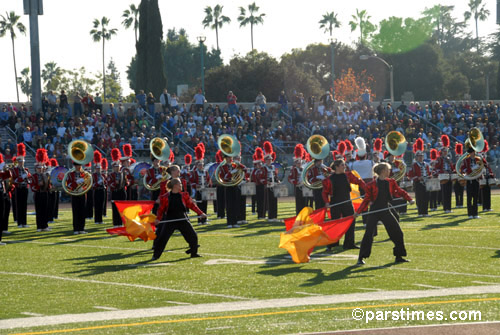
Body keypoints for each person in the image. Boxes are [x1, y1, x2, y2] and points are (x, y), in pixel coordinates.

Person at [356, 162, 414, 265]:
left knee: (397, 232)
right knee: (369, 234)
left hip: (385, 210)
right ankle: (361, 257)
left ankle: (399, 256)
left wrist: (409, 199)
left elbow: (399, 191)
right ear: (383, 171)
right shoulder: (371, 185)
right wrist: (358, 212)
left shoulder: (391, 182)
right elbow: (366, 200)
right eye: (388, 170)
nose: (389, 171)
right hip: (374, 211)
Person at [152, 178, 206, 260]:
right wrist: (158, 219)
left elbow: (192, 206)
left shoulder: (184, 195)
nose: (181, 185)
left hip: (182, 218)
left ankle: (194, 253)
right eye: (180, 184)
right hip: (170, 219)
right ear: (175, 186)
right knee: (162, 238)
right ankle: (155, 256)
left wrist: (201, 213)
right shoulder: (165, 197)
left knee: (193, 236)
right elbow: (161, 210)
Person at [323, 158, 366, 250]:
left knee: (351, 222)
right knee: (335, 224)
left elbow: (359, 181)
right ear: (337, 167)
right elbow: (324, 192)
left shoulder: (348, 176)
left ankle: (349, 243)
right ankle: (332, 243)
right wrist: (327, 202)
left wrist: (367, 189)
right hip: (335, 203)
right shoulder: (329, 179)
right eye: (342, 165)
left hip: (347, 202)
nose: (345, 166)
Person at [11, 144, 30, 228]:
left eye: (22, 161)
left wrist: (28, 178)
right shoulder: (14, 170)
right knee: (19, 205)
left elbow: (29, 178)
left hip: (24, 188)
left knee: (24, 205)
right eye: (20, 161)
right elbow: (14, 180)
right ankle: (19, 222)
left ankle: (24, 222)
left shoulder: (26, 170)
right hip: (18, 188)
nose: (21, 163)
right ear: (17, 162)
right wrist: (22, 178)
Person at [65, 162, 88, 234]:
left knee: (82, 212)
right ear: (74, 166)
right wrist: (76, 183)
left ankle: (81, 228)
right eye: (77, 165)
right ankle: (76, 229)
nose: (78, 166)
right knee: (75, 212)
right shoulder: (70, 175)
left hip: (82, 194)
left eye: (79, 165)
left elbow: (88, 184)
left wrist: (83, 187)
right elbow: (68, 185)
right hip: (74, 194)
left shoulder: (84, 174)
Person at [190, 145, 210, 225]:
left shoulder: (206, 172)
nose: (201, 166)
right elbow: (191, 182)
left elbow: (209, 180)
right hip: (198, 190)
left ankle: (204, 220)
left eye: (202, 165)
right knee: (199, 206)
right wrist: (196, 185)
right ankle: (199, 220)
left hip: (205, 190)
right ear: (197, 166)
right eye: (199, 165)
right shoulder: (194, 173)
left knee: (205, 205)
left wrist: (208, 184)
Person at [434, 136, 454, 213]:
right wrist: (442, 172)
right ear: (441, 152)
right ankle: (445, 208)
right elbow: (436, 169)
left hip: (449, 176)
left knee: (449, 192)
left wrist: (452, 171)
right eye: (444, 151)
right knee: (444, 192)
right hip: (443, 177)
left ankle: (449, 208)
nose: (445, 152)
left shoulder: (449, 159)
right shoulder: (439, 159)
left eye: (446, 151)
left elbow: (451, 167)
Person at [460, 146, 482, 219]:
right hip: (469, 180)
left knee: (475, 197)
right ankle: (470, 214)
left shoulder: (478, 159)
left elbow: (482, 166)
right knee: (469, 198)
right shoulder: (466, 160)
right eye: (472, 152)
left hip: (476, 180)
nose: (473, 153)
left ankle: (475, 214)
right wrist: (468, 171)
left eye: (473, 152)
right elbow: (462, 169)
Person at [31, 149, 50, 232]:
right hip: (38, 194)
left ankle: (45, 226)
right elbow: (32, 187)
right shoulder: (34, 176)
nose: (40, 169)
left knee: (45, 210)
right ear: (36, 168)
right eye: (38, 168)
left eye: (41, 168)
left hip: (44, 193)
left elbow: (48, 185)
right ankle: (39, 226)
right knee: (39, 210)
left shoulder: (45, 175)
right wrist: (38, 185)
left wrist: (49, 185)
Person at [410, 149, 430, 217]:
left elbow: (429, 173)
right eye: (419, 156)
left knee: (426, 198)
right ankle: (420, 212)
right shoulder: (414, 165)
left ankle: (425, 212)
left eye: (421, 156)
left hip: (426, 182)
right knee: (419, 198)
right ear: (416, 157)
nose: (420, 157)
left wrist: (430, 176)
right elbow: (410, 175)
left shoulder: (426, 165)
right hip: (418, 183)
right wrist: (417, 178)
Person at [108, 148, 126, 227]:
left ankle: (120, 222)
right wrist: (115, 183)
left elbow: (126, 182)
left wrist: (126, 182)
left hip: (121, 192)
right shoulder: (111, 174)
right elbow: (109, 183)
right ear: (113, 167)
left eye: (118, 166)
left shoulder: (122, 173)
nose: (117, 168)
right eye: (115, 167)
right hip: (115, 192)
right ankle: (116, 223)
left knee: (121, 208)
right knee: (115, 208)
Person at [288, 144, 305, 215]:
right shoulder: (293, 170)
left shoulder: (304, 169)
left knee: (304, 202)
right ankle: (298, 214)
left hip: (304, 187)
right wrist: (295, 182)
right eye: (298, 163)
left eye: (300, 163)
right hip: (298, 187)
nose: (299, 164)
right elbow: (289, 178)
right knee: (298, 201)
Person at [92, 151, 105, 225]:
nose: (98, 170)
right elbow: (92, 185)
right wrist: (97, 183)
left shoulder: (102, 175)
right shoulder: (93, 175)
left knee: (101, 205)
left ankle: (100, 219)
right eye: (97, 169)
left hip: (102, 190)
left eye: (99, 168)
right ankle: (97, 220)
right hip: (96, 190)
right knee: (97, 205)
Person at [454, 143, 464, 208]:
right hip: (456, 179)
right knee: (456, 192)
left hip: (461, 178)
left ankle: (461, 203)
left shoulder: (462, 165)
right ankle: (457, 203)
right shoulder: (454, 165)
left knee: (461, 192)